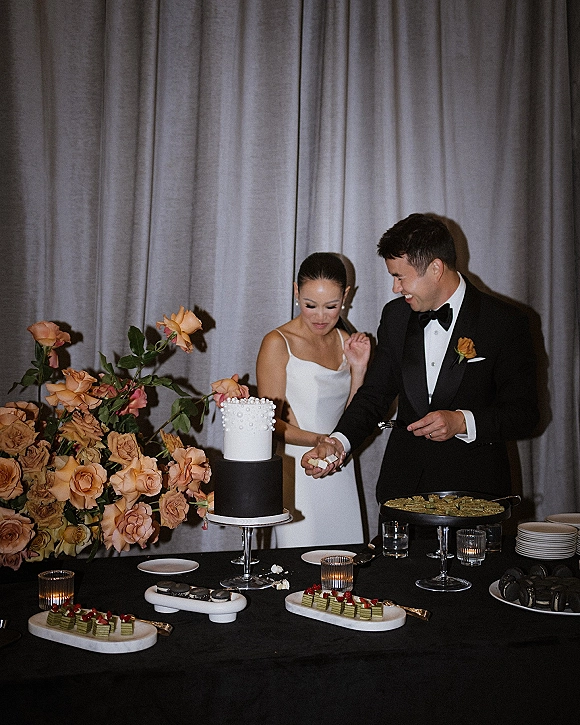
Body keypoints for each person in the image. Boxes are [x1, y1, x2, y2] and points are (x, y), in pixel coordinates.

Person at [301, 213, 539, 505]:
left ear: (436, 268)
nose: (395, 288)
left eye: (400, 277)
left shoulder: (505, 322)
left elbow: (525, 414)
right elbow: (374, 395)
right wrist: (338, 443)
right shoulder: (395, 317)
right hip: (403, 494)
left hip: (477, 497)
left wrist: (463, 422)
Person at [256, 252, 371, 547]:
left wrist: (358, 370)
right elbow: (270, 424)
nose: (320, 316)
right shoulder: (277, 343)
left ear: (346, 295)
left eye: (331, 306)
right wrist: (320, 440)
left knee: (344, 568)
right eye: (310, 305)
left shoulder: (348, 342)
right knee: (299, 569)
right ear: (296, 292)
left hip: (339, 466)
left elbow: (355, 416)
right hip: (298, 472)